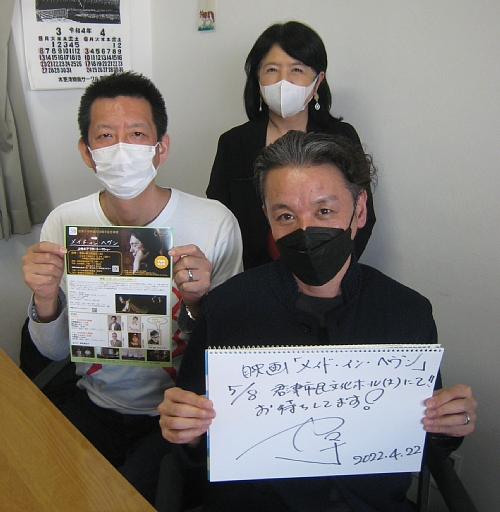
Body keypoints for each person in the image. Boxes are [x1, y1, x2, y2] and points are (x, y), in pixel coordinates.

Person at [159, 132, 477, 512]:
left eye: (324, 211)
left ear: (359, 210)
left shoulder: (407, 312)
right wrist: (187, 431)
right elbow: (195, 454)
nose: (305, 230)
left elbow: (421, 445)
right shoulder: (227, 308)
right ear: (268, 219)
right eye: (286, 216)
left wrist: (447, 427)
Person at [22, 71, 243, 504]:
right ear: (86, 152)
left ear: (162, 147)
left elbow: (230, 350)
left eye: (137, 134)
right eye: (106, 136)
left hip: (177, 412)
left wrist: (199, 303)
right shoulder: (64, 222)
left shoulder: (214, 222)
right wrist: (45, 300)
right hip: (92, 402)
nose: (122, 149)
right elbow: (54, 350)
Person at [207, 21, 376, 270]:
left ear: (317, 81)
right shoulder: (234, 143)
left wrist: (332, 271)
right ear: (257, 78)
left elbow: (363, 215)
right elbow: (218, 219)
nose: (283, 81)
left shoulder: (341, 136)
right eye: (272, 69)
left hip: (328, 273)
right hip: (252, 276)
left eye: (296, 69)